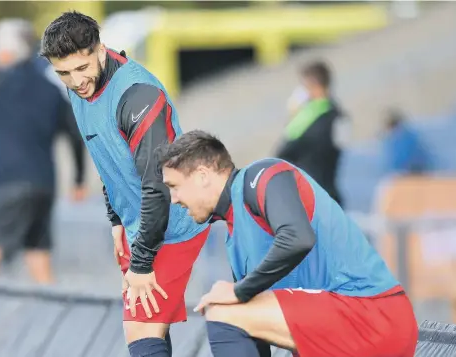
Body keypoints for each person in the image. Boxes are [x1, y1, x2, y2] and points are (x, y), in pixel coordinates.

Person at [157, 130, 418, 357]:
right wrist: (240, 294)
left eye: (175, 185)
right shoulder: (234, 240)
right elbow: (249, 335)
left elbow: (298, 237)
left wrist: (238, 291)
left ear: (203, 175)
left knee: (220, 308)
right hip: (341, 332)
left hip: (373, 315)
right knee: (228, 308)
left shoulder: (261, 176)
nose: (173, 198)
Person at [40, 11, 210, 357]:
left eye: (82, 68)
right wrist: (116, 218)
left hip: (176, 220)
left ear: (99, 49)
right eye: (64, 74)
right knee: (148, 327)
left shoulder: (137, 95)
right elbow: (103, 154)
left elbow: (158, 183)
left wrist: (142, 262)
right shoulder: (78, 88)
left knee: (140, 328)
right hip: (138, 223)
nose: (76, 81)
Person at [0, 18, 86, 283]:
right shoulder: (51, 90)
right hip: (44, 184)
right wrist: (78, 179)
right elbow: (75, 134)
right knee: (38, 256)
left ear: (7, 52)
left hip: (9, 181)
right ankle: (50, 317)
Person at [276, 60, 350, 206]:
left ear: (313, 86)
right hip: (330, 196)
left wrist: (294, 115)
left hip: (305, 199)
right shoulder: (340, 116)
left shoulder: (306, 117)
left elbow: (283, 153)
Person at [383, 108, 430, 175]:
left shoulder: (405, 137)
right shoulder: (404, 136)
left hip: (414, 170)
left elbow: (406, 157)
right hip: (411, 170)